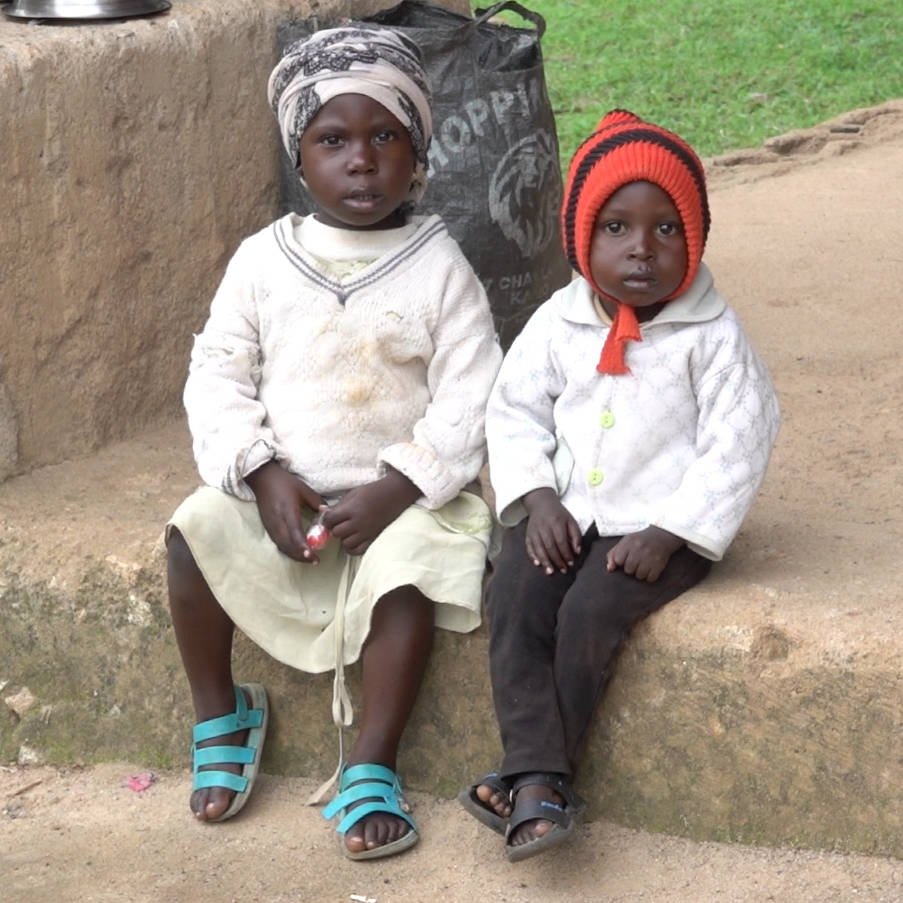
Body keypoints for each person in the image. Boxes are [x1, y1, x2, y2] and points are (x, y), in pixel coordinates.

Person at [165, 25, 502, 861]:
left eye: (385, 136)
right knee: (191, 533)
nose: (361, 159)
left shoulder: (438, 265)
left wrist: (399, 486)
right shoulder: (261, 262)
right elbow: (216, 377)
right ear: (298, 156)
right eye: (333, 140)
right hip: (286, 500)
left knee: (408, 580)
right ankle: (220, 711)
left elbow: (471, 395)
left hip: (400, 502)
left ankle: (371, 763)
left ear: (417, 154)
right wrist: (261, 471)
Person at [459, 109, 780, 862]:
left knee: (589, 612)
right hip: (565, 514)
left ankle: (531, 778)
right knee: (514, 595)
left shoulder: (712, 334)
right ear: (581, 238)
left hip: (660, 532)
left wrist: (670, 531)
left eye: (666, 229)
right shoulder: (558, 319)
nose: (641, 248)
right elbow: (512, 408)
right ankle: (537, 777)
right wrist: (536, 499)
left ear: (694, 237)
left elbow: (741, 439)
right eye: (616, 227)